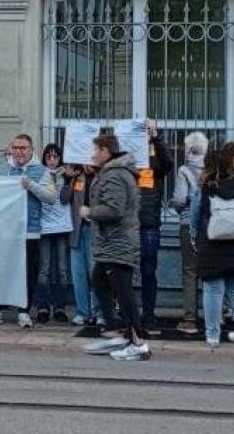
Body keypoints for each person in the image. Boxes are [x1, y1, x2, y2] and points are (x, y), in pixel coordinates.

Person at [80, 135, 150, 361]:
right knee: (100, 280)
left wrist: (89, 212)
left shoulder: (115, 175)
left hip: (117, 242)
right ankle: (116, 331)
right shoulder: (114, 172)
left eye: (95, 150)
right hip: (112, 243)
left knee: (123, 291)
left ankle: (137, 341)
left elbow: (114, 209)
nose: (92, 155)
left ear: (105, 151)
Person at [0, 134, 57, 329]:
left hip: (29, 231)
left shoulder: (41, 171)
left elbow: (50, 197)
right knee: (1, 270)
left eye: (23, 148)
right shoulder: (4, 170)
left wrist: (30, 185)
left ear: (31, 150)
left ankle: (23, 311)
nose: (19, 152)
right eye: (16, 148)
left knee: (28, 273)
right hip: (6, 232)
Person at [190, 142, 234, 347]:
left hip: (212, 242)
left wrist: (195, 237)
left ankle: (212, 335)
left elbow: (194, 216)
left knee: (213, 288)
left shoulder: (205, 188)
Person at [169, 131, 208, 334]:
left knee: (190, 271)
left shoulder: (184, 170)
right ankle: (214, 317)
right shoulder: (210, 169)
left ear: (190, 149)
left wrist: (176, 206)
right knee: (211, 272)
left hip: (188, 224)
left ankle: (190, 319)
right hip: (210, 227)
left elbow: (179, 199)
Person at [136, 119, 172, 335]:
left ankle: (148, 315)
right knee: (124, 271)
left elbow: (167, 164)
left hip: (149, 224)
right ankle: (125, 313)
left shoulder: (154, 162)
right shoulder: (127, 159)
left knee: (149, 271)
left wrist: (156, 138)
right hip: (128, 225)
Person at [36, 143, 72, 324]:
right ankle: (43, 306)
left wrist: (63, 180)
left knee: (62, 270)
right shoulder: (40, 174)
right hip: (44, 226)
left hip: (62, 227)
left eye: (55, 157)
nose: (52, 160)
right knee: (44, 269)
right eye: (48, 157)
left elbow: (66, 199)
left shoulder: (66, 176)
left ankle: (60, 307)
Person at [63, 163, 101, 328]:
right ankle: (82, 312)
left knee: (96, 274)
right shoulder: (76, 178)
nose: (88, 165)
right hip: (77, 230)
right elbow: (64, 199)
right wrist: (67, 180)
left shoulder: (103, 178)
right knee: (78, 274)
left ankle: (100, 312)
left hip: (96, 232)